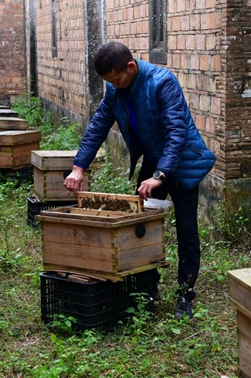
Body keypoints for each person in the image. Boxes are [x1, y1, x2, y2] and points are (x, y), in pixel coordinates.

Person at [64, 41, 217, 320]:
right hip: (154, 160)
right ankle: (147, 290)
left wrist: (159, 175)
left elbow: (176, 133)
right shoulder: (114, 89)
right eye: (109, 81)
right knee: (141, 226)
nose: (115, 85)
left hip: (181, 164)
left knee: (186, 229)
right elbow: (99, 125)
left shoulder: (163, 82)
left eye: (118, 79)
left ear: (131, 67)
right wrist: (78, 167)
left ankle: (185, 294)